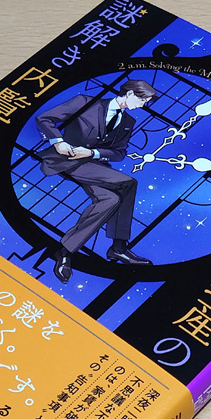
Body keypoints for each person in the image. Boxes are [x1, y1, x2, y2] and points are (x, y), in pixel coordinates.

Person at [35, 79, 157, 284]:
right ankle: (119, 247)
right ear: (129, 94)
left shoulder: (128, 121)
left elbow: (119, 153)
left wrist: (92, 153)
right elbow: (44, 118)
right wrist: (58, 142)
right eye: (143, 100)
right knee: (129, 183)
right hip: (64, 159)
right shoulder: (85, 102)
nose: (143, 105)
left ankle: (64, 252)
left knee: (110, 200)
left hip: (93, 165)